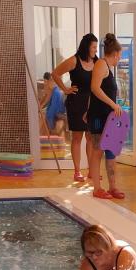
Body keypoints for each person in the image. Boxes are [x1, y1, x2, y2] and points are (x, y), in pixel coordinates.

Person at [52, 33, 98, 183]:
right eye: (93, 47)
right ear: (86, 47)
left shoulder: (97, 61)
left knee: (90, 137)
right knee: (77, 137)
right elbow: (55, 73)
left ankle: (91, 171)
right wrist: (65, 89)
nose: (96, 50)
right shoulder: (74, 60)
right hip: (76, 103)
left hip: (92, 103)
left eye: (96, 47)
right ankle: (77, 171)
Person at [87, 33, 126, 200]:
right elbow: (94, 88)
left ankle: (113, 187)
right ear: (115, 54)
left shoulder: (108, 68)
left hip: (109, 117)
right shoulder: (101, 65)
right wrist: (113, 105)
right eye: (120, 55)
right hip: (98, 116)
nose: (120, 58)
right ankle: (97, 188)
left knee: (111, 151)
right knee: (98, 151)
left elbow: (99, 91)